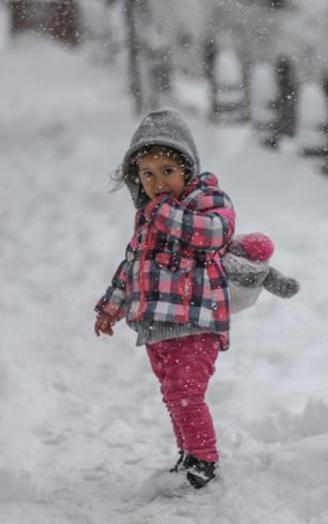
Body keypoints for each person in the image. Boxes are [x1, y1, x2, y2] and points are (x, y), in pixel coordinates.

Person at [94, 108, 235, 489]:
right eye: (148, 174)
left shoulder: (206, 200)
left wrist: (167, 214)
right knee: (173, 396)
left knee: (186, 394)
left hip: (196, 321)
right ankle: (188, 453)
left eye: (168, 172)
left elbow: (216, 233)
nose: (158, 183)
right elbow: (132, 265)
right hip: (157, 325)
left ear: (187, 170)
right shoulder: (146, 215)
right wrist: (111, 307)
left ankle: (204, 460)